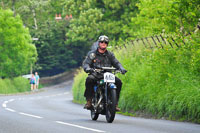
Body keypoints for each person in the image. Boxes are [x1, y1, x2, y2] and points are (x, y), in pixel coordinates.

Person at [82, 35, 127, 111]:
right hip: (96, 74)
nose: (104, 43)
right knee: (89, 79)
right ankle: (89, 101)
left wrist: (121, 68)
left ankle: (115, 104)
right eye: (102, 42)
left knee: (119, 82)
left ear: (107, 44)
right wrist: (88, 69)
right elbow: (86, 63)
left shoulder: (110, 54)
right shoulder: (92, 54)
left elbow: (116, 63)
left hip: (108, 74)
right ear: (99, 43)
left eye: (105, 42)